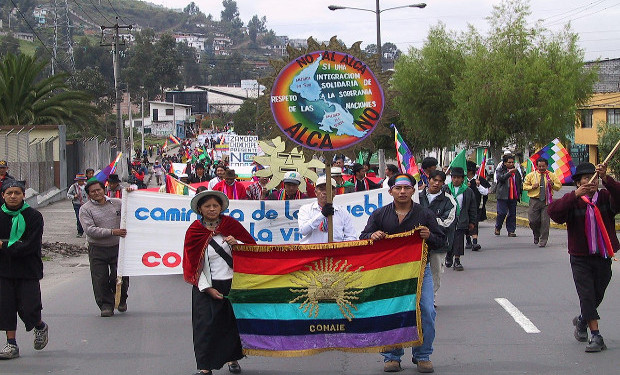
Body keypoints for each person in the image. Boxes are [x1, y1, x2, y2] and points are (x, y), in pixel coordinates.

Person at [360, 174, 445, 374]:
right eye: (398, 188)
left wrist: (429, 236)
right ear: (391, 191)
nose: (402, 192)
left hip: (419, 272)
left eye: (406, 188)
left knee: (426, 311)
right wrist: (372, 236)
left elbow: (441, 241)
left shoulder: (425, 215)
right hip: (390, 274)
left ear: (413, 191)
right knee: (391, 311)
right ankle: (392, 356)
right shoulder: (380, 215)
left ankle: (423, 355)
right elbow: (362, 237)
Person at [548, 162, 619, 353]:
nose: (591, 181)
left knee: (597, 293)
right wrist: (575, 195)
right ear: (578, 182)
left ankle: (582, 320)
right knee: (586, 295)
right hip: (580, 257)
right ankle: (596, 336)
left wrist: (607, 179)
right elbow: (554, 213)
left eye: (594, 177)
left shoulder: (605, 198)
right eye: (586, 178)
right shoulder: (573, 201)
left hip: (603, 255)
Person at [183, 190, 256, 375]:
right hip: (206, 285)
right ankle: (204, 367)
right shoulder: (194, 231)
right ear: (200, 209)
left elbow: (251, 249)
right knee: (205, 326)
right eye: (207, 206)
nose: (212, 209)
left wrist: (236, 243)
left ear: (221, 207)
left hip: (232, 283)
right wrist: (207, 288)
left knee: (230, 324)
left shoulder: (231, 225)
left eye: (215, 205)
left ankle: (232, 359)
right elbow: (191, 263)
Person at [0, 180, 49, 360]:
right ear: (3, 195)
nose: (13, 196)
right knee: (6, 307)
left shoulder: (34, 217)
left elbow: (31, 245)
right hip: (3, 270)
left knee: (29, 307)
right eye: (9, 193)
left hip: (28, 269)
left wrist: (4, 245)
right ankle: (11, 344)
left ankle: (39, 325)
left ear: (23, 195)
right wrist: (13, 246)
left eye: (17, 193)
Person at [79, 180, 129, 317]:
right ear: (88, 195)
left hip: (118, 247)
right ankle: (106, 305)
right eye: (92, 191)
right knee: (100, 278)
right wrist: (113, 232)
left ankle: (121, 299)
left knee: (120, 276)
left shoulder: (117, 203)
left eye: (98, 190)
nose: (96, 193)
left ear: (104, 189)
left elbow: (133, 208)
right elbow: (90, 230)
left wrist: (130, 193)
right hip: (97, 249)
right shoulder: (85, 209)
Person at [419, 170, 456, 302]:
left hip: (438, 243)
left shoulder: (449, 201)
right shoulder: (417, 196)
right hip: (417, 242)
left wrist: (428, 222)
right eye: (434, 180)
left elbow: (448, 222)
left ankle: (431, 298)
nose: (436, 183)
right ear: (428, 180)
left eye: (440, 181)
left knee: (436, 272)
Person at [298, 175, 357, 244]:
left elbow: (351, 236)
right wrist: (322, 215)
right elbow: (303, 230)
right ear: (316, 192)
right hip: (313, 252)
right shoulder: (306, 209)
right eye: (321, 189)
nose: (325, 192)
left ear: (334, 192)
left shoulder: (342, 212)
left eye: (328, 189)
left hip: (335, 252)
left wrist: (339, 249)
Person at [523, 158, 562, 247]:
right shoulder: (531, 175)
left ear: (547, 166)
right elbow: (524, 186)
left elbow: (558, 187)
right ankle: (536, 234)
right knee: (533, 221)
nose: (541, 168)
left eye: (543, 166)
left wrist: (552, 184)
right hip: (534, 200)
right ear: (537, 166)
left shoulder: (551, 175)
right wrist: (532, 187)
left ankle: (543, 240)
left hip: (546, 201)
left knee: (545, 222)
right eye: (539, 166)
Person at [444, 167, 477, 271]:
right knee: (450, 239)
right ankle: (449, 255)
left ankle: (457, 260)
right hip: (448, 219)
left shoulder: (468, 191)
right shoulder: (445, 189)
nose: (456, 180)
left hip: (461, 219)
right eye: (454, 177)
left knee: (458, 240)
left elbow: (472, 207)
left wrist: (472, 221)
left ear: (463, 179)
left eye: (459, 178)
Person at [494, 154, 522, 237]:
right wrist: (509, 173)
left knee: (512, 214)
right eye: (509, 162)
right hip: (503, 195)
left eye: (512, 162)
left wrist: (520, 191)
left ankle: (511, 230)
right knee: (502, 213)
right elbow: (500, 179)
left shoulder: (516, 171)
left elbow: (519, 181)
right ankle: (498, 227)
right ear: (505, 163)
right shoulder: (500, 170)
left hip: (513, 195)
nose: (511, 164)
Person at [465, 161, 490, 251]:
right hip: (464, 206)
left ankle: (475, 242)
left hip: (476, 206)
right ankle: (468, 240)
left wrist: (478, 185)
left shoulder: (480, 180)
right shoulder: (462, 180)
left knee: (474, 223)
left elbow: (486, 192)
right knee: (465, 223)